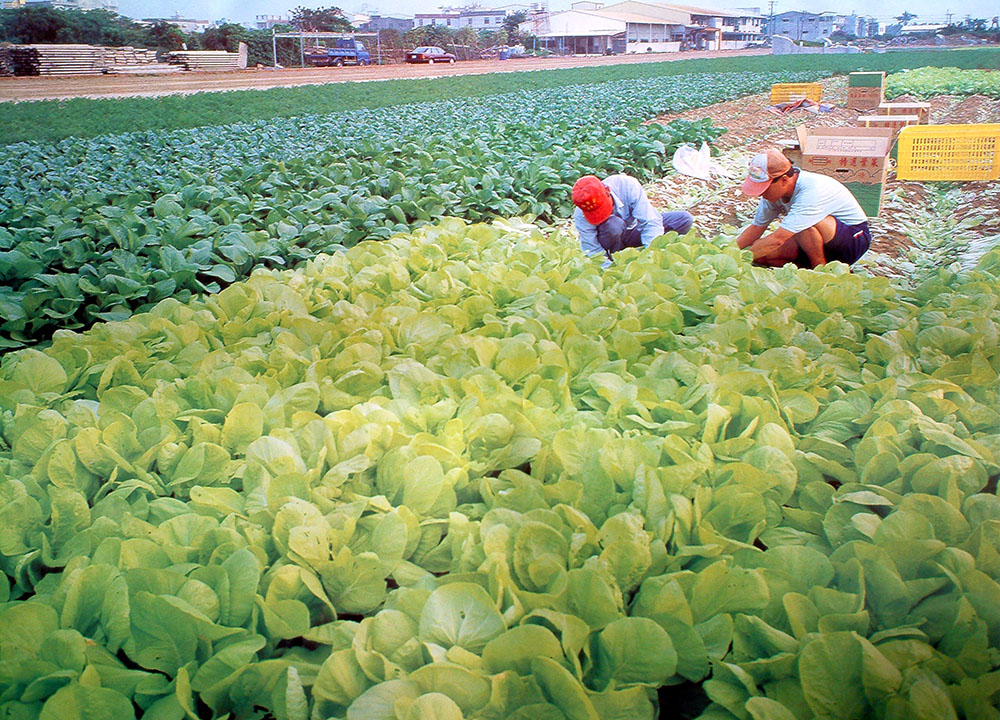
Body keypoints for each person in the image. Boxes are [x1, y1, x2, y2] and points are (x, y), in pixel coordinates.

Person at [736, 149, 872, 269]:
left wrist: (737, 260)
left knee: (802, 224)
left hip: (852, 240)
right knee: (762, 254)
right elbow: (756, 228)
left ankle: (820, 268)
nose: (761, 194)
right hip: (817, 240)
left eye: (764, 188)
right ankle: (816, 269)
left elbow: (778, 239)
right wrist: (725, 252)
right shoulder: (773, 194)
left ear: (784, 180)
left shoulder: (811, 190)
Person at [572, 174, 694, 264]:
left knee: (683, 219)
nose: (602, 214)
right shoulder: (580, 214)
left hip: (633, 230)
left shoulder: (627, 185)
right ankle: (616, 255)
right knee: (613, 225)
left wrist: (652, 254)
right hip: (609, 237)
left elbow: (650, 221)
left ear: (608, 191)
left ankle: (649, 249)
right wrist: (612, 269)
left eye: (603, 209)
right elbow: (592, 249)